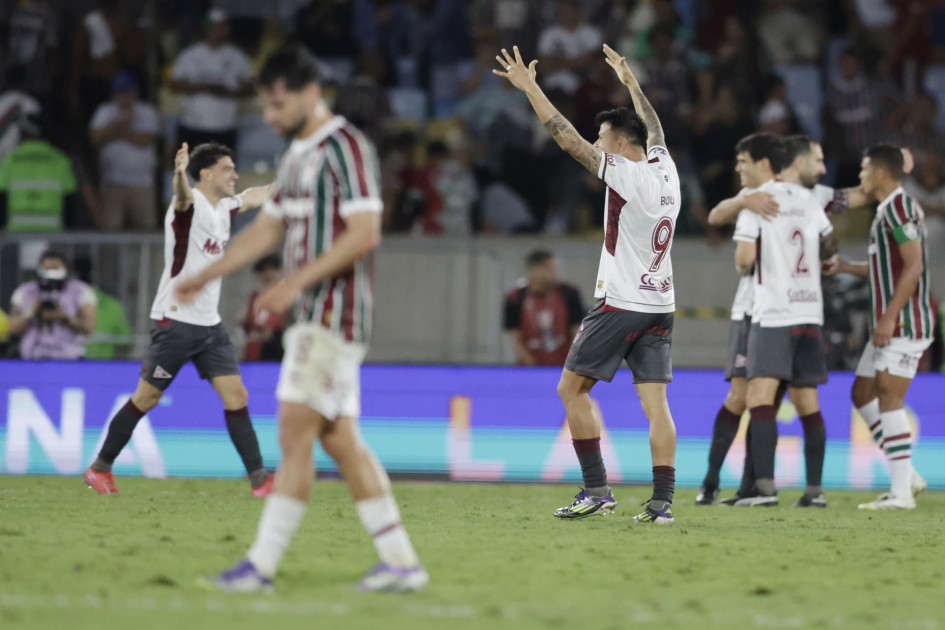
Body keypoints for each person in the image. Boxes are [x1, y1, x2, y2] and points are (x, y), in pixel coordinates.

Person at [174, 45, 428, 593]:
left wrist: (295, 282)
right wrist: (206, 271)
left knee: (293, 433)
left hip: (333, 315)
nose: (269, 116)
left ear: (310, 93)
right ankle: (402, 562)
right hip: (314, 315)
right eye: (264, 106)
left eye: (277, 103)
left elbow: (365, 233)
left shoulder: (346, 147)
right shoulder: (295, 156)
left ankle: (259, 567)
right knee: (339, 439)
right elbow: (269, 228)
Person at [495, 44, 680, 524]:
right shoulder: (666, 170)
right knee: (656, 404)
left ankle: (597, 490)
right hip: (661, 302)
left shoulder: (628, 175)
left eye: (604, 138)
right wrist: (631, 82)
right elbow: (654, 129)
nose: (598, 145)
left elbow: (569, 142)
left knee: (571, 391)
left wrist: (531, 88)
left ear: (619, 143)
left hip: (621, 303)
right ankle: (662, 503)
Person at [82, 142, 274, 497]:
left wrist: (293, 185)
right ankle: (100, 467)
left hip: (209, 325)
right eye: (228, 169)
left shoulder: (226, 207)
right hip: (175, 323)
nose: (234, 175)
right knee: (147, 398)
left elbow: (254, 195)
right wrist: (178, 174)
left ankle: (260, 479)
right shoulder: (188, 205)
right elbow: (183, 196)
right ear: (206, 174)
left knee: (237, 395)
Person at [698, 135, 835, 507]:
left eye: (743, 161)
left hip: (766, 313)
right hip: (802, 311)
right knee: (780, 398)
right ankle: (804, 490)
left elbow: (742, 259)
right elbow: (831, 242)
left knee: (754, 397)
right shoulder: (806, 199)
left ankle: (758, 488)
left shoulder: (766, 203)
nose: (738, 168)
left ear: (765, 163)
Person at [824, 145, 933, 510]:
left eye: (866, 169)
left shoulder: (900, 206)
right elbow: (887, 269)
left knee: (889, 396)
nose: (861, 176)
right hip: (889, 322)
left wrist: (889, 318)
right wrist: (844, 267)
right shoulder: (889, 209)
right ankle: (908, 477)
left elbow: (914, 266)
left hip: (903, 321)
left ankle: (902, 493)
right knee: (862, 393)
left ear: (883, 173)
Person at [169, 8, 254, 152]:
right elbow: (174, 84)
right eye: (214, 27)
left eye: (223, 27)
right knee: (189, 171)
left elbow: (251, 88)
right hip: (193, 125)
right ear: (207, 28)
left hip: (225, 126)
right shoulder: (191, 54)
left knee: (223, 172)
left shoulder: (237, 56)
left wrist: (227, 92)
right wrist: (202, 87)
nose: (218, 31)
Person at [88, 71, 160, 231]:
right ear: (114, 95)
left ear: (135, 93)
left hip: (143, 184)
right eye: (120, 93)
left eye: (128, 93)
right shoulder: (104, 111)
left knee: (145, 231)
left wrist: (117, 132)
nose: (125, 98)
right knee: (110, 232)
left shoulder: (147, 111)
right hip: (112, 183)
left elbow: (145, 140)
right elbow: (94, 139)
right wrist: (118, 123)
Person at [7, 249, 97, 360]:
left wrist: (64, 318)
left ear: (65, 268)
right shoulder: (25, 291)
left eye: (56, 268)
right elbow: (13, 328)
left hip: (69, 359)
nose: (51, 273)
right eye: (48, 268)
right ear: (40, 269)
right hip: (32, 358)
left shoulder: (80, 291)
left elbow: (89, 329)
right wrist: (33, 311)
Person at [503, 250, 585, 366]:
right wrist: (531, 365)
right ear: (534, 270)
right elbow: (515, 338)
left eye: (554, 269)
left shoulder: (569, 293)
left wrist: (571, 363)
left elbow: (576, 333)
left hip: (563, 366)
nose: (553, 273)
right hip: (529, 367)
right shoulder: (515, 297)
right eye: (548, 268)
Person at [0, 115, 77, 232]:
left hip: (16, 233)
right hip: (52, 232)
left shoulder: (10, 160)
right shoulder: (60, 160)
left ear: (23, 134)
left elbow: (2, 198)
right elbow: (70, 201)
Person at [240, 254, 286, 362]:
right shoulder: (255, 297)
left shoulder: (288, 295)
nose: (264, 278)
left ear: (279, 271)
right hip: (253, 354)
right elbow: (249, 326)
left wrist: (274, 336)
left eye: (268, 275)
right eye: (261, 275)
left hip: (277, 355)